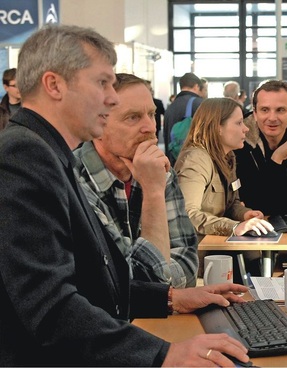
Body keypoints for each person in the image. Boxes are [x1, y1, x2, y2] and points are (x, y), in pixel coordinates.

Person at [0, 24, 250, 367]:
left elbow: (93, 283)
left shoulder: (45, 151)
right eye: (102, 82)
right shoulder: (24, 157)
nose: (112, 97)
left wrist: (170, 298)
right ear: (53, 84)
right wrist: (163, 354)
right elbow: (51, 308)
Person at [74, 73, 198, 287]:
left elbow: (188, 262)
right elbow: (119, 283)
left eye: (152, 114)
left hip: (160, 318)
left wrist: (158, 285)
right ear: (97, 126)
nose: (150, 127)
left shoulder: (159, 170)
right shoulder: (74, 179)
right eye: (133, 117)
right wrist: (153, 193)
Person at [174, 98, 274, 278]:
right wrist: (235, 227)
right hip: (197, 258)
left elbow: (232, 202)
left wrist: (245, 215)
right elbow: (187, 215)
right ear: (217, 127)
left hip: (219, 250)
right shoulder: (196, 160)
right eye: (238, 123)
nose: (246, 128)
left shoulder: (227, 156)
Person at [235, 80, 287, 215]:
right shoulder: (240, 140)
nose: (272, 118)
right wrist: (277, 159)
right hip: (252, 225)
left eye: (280, 110)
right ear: (255, 113)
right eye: (264, 110)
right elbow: (246, 200)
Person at [163, 72, 204, 162]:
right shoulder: (200, 104)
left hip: (173, 161)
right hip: (193, 163)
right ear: (196, 86)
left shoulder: (170, 107)